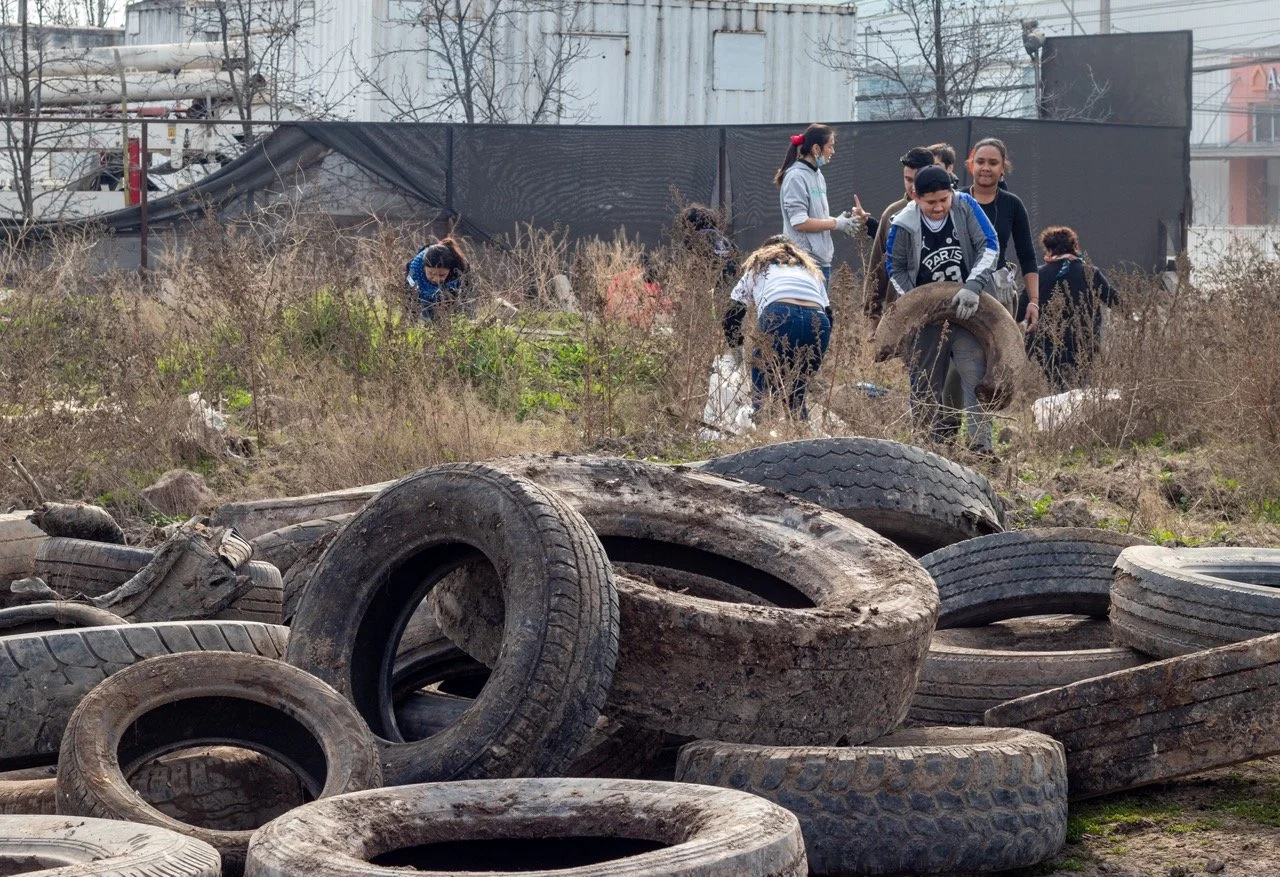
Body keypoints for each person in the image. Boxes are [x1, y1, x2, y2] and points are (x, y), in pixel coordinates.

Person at [886, 165, 1000, 454]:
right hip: (926, 316)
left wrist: (973, 286)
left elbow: (989, 244)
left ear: (951, 193)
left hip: (967, 310)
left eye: (943, 200)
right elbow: (894, 268)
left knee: (975, 369)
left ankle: (980, 447)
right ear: (915, 197)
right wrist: (916, 302)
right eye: (930, 202)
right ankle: (927, 447)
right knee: (924, 378)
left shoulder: (966, 206)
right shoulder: (902, 224)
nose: (938, 207)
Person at [721, 237, 831, 418]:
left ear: (763, 253)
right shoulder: (810, 272)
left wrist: (737, 354)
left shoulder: (758, 268)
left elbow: (730, 318)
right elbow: (829, 315)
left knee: (762, 388)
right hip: (818, 322)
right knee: (796, 394)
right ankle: (800, 437)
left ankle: (764, 434)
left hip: (780, 314)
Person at [964, 137, 1040, 331]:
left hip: (998, 293)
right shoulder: (956, 200)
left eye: (993, 163)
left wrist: (1034, 301)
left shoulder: (1013, 204)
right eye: (980, 161)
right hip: (959, 288)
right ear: (972, 165)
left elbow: (1027, 255)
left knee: (997, 356)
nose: (986, 167)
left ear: (1003, 168)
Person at [1029, 226, 1117, 391]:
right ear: (1074, 246)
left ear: (1048, 249)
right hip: (1084, 343)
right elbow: (1116, 301)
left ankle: (1056, 415)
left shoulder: (1038, 275)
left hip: (1049, 346)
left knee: (1056, 390)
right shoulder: (1091, 272)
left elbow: (1020, 311)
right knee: (1081, 389)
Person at [775, 123, 859, 287]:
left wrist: (840, 221)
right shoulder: (795, 177)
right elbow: (800, 223)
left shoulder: (817, 175)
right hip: (802, 262)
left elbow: (814, 218)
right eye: (830, 146)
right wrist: (836, 224)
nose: (832, 152)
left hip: (821, 260)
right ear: (816, 149)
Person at [863, 146, 937, 324]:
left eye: (917, 179)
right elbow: (877, 267)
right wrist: (872, 313)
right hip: (898, 311)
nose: (912, 186)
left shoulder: (945, 210)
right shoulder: (892, 214)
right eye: (907, 179)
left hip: (938, 311)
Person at [677, 204, 739, 292]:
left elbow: (687, 268)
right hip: (730, 290)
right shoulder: (728, 242)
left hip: (705, 291)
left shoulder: (694, 240)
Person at [406, 237, 469, 320]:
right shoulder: (414, 270)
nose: (436, 279)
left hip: (445, 296)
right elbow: (409, 298)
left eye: (442, 275)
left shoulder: (458, 271)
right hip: (422, 296)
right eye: (431, 274)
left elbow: (457, 302)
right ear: (424, 267)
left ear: (449, 271)